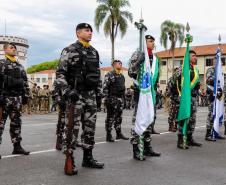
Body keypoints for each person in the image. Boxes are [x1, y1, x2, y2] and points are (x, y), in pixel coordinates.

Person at [56, 23, 104, 175]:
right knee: (72, 130)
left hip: (90, 96)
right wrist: (67, 91)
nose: (90, 33)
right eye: (86, 30)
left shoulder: (94, 52)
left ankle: (88, 158)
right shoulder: (69, 50)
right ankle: (70, 159)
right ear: (78, 33)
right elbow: (60, 74)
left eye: (91, 30)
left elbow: (97, 75)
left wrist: (99, 93)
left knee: (90, 129)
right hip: (75, 95)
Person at [128, 35, 161, 160]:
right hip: (140, 92)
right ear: (144, 42)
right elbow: (131, 72)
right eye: (150, 41)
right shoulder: (138, 54)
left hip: (150, 93)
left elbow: (155, 76)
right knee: (138, 119)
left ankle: (147, 147)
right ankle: (136, 148)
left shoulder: (155, 58)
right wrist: (138, 62)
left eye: (153, 41)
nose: (153, 43)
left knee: (149, 118)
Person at [0, 42, 30, 158]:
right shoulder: (1, 64)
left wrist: (25, 96)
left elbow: (25, 82)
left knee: (16, 123)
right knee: (0, 124)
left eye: (15, 48)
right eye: (11, 47)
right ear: (5, 50)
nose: (14, 49)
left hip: (17, 99)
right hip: (4, 98)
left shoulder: (20, 66)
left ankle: (17, 147)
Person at [173, 50, 202, 149]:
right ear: (188, 57)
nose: (195, 57)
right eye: (193, 56)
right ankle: (180, 140)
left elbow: (197, 84)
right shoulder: (182, 69)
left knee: (192, 119)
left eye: (196, 56)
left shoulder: (195, 69)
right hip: (184, 99)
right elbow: (173, 82)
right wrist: (177, 97)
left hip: (193, 98)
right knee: (183, 119)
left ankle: (189, 138)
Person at [103, 59, 128, 142]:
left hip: (120, 99)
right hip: (112, 99)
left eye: (121, 63)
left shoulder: (122, 76)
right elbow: (105, 88)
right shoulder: (109, 75)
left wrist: (124, 100)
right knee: (110, 117)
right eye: (118, 63)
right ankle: (108, 134)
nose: (120, 64)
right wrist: (106, 99)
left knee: (119, 117)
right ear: (113, 65)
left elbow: (123, 89)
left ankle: (118, 133)